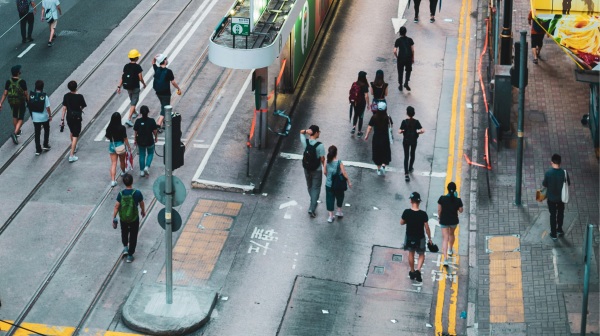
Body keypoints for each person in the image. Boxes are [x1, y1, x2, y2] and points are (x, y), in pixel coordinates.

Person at [112, 173, 145, 263]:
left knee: (124, 232)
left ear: (123, 182)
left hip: (123, 219)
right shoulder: (137, 193)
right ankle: (130, 255)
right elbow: (142, 203)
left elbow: (116, 206)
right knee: (133, 235)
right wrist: (143, 211)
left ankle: (125, 247)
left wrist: (114, 217)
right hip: (134, 218)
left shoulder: (121, 194)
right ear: (132, 181)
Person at [400, 192, 432, 283]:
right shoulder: (423, 214)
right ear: (419, 202)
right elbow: (427, 227)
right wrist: (429, 238)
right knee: (421, 254)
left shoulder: (406, 212)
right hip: (420, 238)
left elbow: (401, 222)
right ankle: (418, 270)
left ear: (411, 201)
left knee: (411, 253)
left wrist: (408, 221)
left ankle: (412, 271)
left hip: (409, 237)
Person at [542, 154, 570, 241]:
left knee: (553, 215)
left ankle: (553, 234)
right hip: (561, 198)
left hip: (551, 199)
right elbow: (568, 183)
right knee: (561, 213)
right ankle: (559, 229)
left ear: (551, 162)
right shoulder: (564, 173)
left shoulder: (548, 173)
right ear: (560, 163)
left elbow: (544, 184)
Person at [300, 125, 326, 218]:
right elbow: (322, 159)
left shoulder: (305, 142)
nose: (319, 133)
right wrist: (325, 169)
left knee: (310, 186)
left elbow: (301, 132)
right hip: (317, 170)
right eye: (318, 132)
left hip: (306, 168)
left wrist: (306, 131)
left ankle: (313, 202)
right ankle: (312, 207)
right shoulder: (320, 146)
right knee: (316, 187)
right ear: (315, 133)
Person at [152, 54, 182, 132]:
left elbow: (153, 63)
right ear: (164, 61)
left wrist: (155, 58)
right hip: (166, 93)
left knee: (163, 105)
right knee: (165, 108)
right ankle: (158, 124)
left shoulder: (157, 69)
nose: (167, 60)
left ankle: (165, 122)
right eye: (166, 59)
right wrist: (178, 88)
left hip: (158, 92)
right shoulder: (168, 71)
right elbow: (173, 82)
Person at [117, 49, 147, 127]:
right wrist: (144, 84)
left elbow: (123, 77)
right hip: (135, 87)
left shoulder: (126, 66)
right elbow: (140, 77)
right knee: (134, 102)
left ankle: (134, 113)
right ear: (137, 58)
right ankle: (129, 119)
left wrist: (119, 86)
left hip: (128, 87)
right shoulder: (138, 67)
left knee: (132, 99)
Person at [0, 65, 28, 144]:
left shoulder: (8, 81)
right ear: (18, 73)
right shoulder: (22, 82)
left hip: (12, 102)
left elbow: (5, 93)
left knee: (15, 116)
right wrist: (29, 101)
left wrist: (1, 102)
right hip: (20, 102)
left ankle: (17, 131)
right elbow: (26, 93)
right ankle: (15, 133)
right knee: (21, 117)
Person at [323, 145, 352, 223]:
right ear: (336, 153)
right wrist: (348, 181)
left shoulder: (326, 161)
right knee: (340, 196)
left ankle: (330, 216)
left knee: (329, 199)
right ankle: (339, 211)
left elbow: (325, 172)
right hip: (338, 185)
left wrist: (329, 177)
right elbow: (344, 173)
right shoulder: (339, 162)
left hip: (329, 184)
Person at [438, 182, 464, 265]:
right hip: (453, 221)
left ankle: (445, 259)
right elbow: (461, 210)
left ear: (447, 189)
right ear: (455, 190)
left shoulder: (442, 198)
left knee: (445, 238)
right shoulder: (458, 200)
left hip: (444, 220)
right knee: (451, 234)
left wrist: (439, 217)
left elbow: (439, 210)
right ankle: (450, 249)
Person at [364, 101, 392, 176]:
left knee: (377, 153)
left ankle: (379, 169)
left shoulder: (374, 117)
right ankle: (383, 165)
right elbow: (391, 127)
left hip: (376, 138)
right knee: (385, 152)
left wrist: (366, 135)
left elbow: (369, 127)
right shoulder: (387, 117)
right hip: (385, 138)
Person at [61, 80, 85, 162]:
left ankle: (73, 147)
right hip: (77, 118)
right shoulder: (80, 96)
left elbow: (64, 108)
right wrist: (79, 110)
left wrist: (62, 119)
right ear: (76, 87)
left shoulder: (66, 96)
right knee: (75, 135)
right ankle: (71, 155)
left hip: (69, 117)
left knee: (71, 131)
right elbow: (83, 106)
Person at [399, 106, 424, 182]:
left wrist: (403, 131)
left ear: (407, 113)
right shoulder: (416, 122)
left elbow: (400, 131)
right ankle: (410, 168)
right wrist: (417, 132)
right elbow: (422, 130)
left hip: (406, 141)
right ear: (414, 113)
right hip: (413, 140)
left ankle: (406, 174)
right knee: (412, 154)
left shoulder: (404, 121)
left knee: (406, 156)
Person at [106, 112, 131, 187]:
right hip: (120, 146)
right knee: (122, 161)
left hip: (112, 146)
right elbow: (125, 138)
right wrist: (128, 146)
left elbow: (107, 137)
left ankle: (113, 180)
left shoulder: (109, 127)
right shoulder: (122, 128)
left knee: (114, 163)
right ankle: (123, 172)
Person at [28, 80, 52, 155]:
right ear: (42, 87)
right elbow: (48, 108)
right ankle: (45, 144)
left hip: (35, 118)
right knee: (46, 130)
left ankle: (38, 149)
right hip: (44, 117)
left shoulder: (31, 96)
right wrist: (50, 115)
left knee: (37, 133)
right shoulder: (45, 96)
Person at [133, 105, 158, 177]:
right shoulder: (152, 121)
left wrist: (135, 139)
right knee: (150, 153)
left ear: (140, 113)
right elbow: (155, 131)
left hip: (140, 141)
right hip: (149, 141)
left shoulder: (138, 121)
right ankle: (147, 166)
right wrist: (156, 138)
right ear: (148, 112)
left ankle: (141, 171)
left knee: (142, 155)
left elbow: (136, 132)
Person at [394, 27, 415, 92]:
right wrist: (413, 57)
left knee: (400, 72)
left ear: (400, 32)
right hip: (408, 58)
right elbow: (413, 50)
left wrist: (397, 57)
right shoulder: (410, 40)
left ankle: (400, 85)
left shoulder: (398, 40)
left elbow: (394, 51)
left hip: (401, 58)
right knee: (408, 70)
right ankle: (406, 83)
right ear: (406, 32)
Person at [349, 71, 369, 138]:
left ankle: (354, 127)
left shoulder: (355, 83)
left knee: (356, 114)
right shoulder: (365, 85)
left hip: (355, 102)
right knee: (361, 116)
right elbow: (366, 96)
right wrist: (368, 104)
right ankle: (359, 132)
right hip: (362, 103)